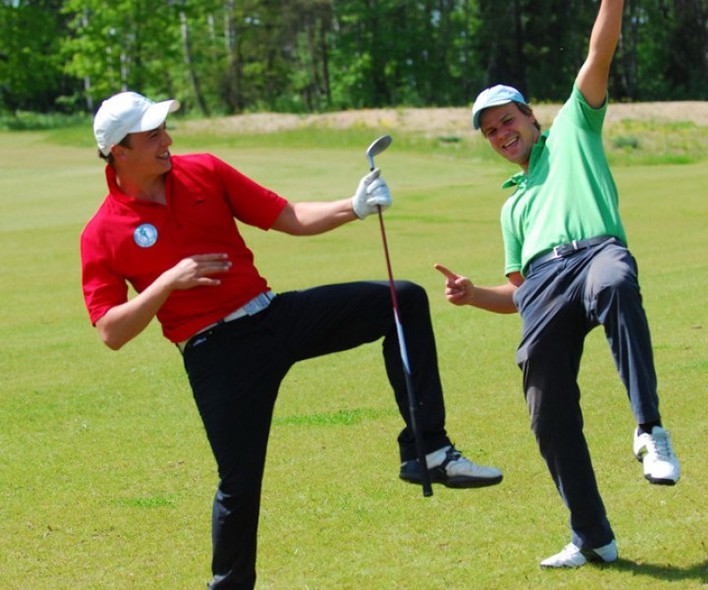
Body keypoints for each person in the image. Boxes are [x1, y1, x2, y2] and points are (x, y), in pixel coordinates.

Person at [80, 90, 503, 589]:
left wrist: (356, 205)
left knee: (402, 300)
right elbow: (111, 331)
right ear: (119, 152)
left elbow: (288, 216)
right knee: (239, 485)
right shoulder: (102, 233)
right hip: (216, 355)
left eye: (164, 130)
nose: (167, 140)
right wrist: (168, 282)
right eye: (152, 136)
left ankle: (426, 450)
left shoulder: (204, 170)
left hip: (273, 316)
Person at [435, 0, 679, 568]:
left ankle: (649, 431)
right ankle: (592, 535)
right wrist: (474, 296)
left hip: (595, 253)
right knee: (546, 408)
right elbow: (521, 296)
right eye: (491, 131)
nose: (501, 133)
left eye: (508, 120)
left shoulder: (575, 122)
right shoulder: (511, 208)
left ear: (531, 118)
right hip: (544, 282)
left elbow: (600, 49)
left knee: (617, 281)